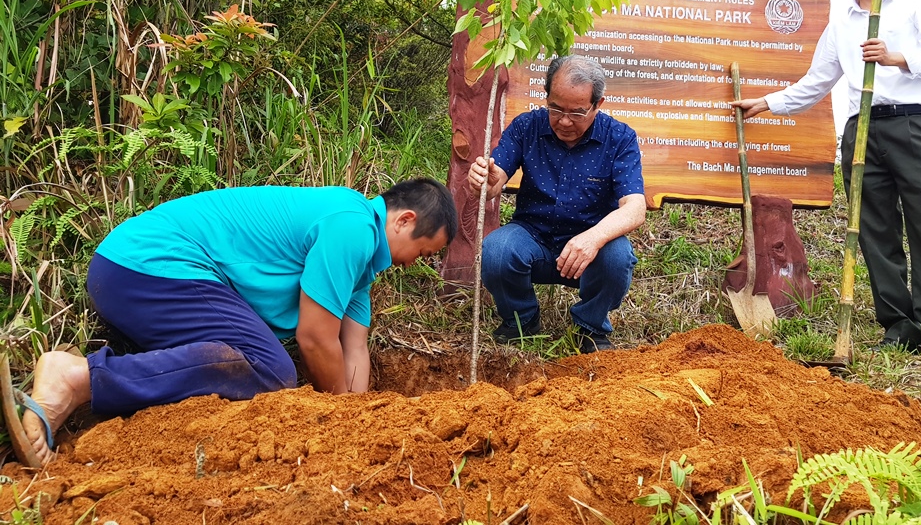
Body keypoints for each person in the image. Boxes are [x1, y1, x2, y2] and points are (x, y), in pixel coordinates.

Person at [5, 178, 457, 467]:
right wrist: (341, 417)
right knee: (270, 367)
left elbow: (352, 347)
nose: (417, 263)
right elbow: (316, 339)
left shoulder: (361, 269)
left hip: (137, 273)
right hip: (147, 266)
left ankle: (86, 387)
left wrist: (363, 419)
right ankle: (76, 376)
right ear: (404, 220)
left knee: (260, 361)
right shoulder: (352, 225)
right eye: (424, 252)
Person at [731, 0, 921, 371]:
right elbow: (817, 81)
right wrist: (767, 103)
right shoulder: (842, 24)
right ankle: (900, 328)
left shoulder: (914, 5)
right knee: (873, 230)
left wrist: (896, 58)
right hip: (862, 132)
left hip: (917, 124)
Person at [468, 55, 646, 353]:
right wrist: (485, 182)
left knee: (617, 257)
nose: (564, 121)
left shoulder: (619, 138)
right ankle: (521, 322)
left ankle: (589, 328)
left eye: (577, 113)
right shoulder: (527, 126)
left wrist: (593, 239)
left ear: (597, 105)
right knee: (497, 250)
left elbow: (635, 208)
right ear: (547, 95)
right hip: (532, 237)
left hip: (590, 249)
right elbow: (496, 180)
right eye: (556, 108)